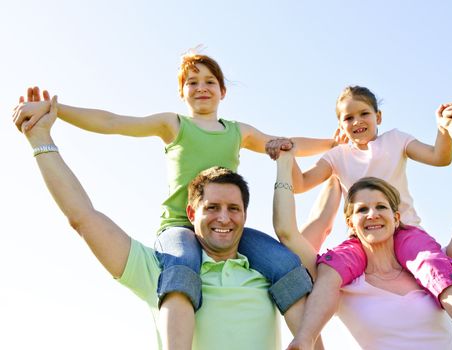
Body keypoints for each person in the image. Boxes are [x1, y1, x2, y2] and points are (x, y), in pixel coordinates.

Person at [12, 52, 335, 349]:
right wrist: (57, 110)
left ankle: (306, 343)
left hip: (225, 227)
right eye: (192, 83)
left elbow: (287, 144)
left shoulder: (239, 132)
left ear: (223, 92)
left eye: (210, 81)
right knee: (181, 267)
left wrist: (335, 143)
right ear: (182, 93)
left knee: (284, 264)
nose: (201, 88)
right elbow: (113, 122)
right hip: (181, 226)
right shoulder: (174, 124)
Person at [272, 110, 452, 349]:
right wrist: (284, 163)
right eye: (362, 210)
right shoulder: (341, 281)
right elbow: (286, 231)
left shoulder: (437, 266)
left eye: (380, 206)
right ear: (350, 223)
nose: (372, 214)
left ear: (396, 218)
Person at [276, 85, 452, 310]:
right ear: (340, 125)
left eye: (364, 114)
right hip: (362, 239)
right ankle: (305, 339)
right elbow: (301, 183)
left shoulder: (396, 140)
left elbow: (439, 157)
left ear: (378, 117)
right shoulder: (337, 156)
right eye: (348, 118)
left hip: (404, 229)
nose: (356, 122)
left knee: (432, 264)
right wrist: (288, 154)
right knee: (329, 270)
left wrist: (443, 128)